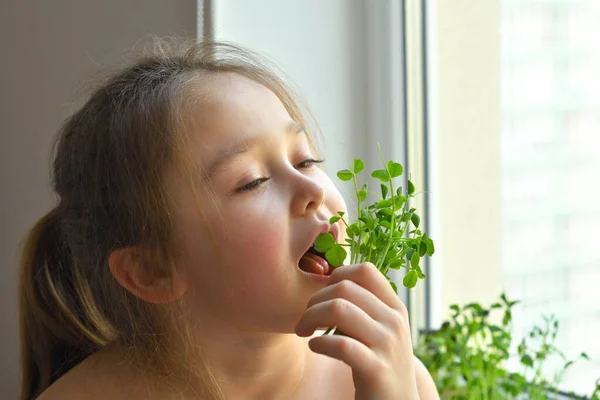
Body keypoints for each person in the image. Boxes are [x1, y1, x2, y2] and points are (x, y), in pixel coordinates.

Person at [19, 39, 439, 400]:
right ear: (152, 270)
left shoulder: (394, 381)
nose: (313, 191)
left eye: (306, 159)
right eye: (252, 182)